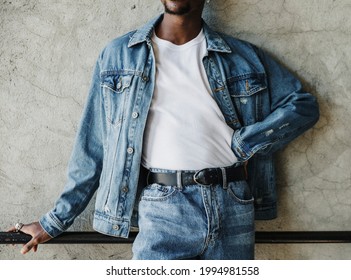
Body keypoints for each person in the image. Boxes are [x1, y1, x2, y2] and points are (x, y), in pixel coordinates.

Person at [9, 0, 319, 259]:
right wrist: (54, 221)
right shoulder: (119, 56)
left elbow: (303, 105)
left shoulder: (242, 57)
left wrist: (246, 143)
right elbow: (93, 147)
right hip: (163, 206)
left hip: (232, 203)